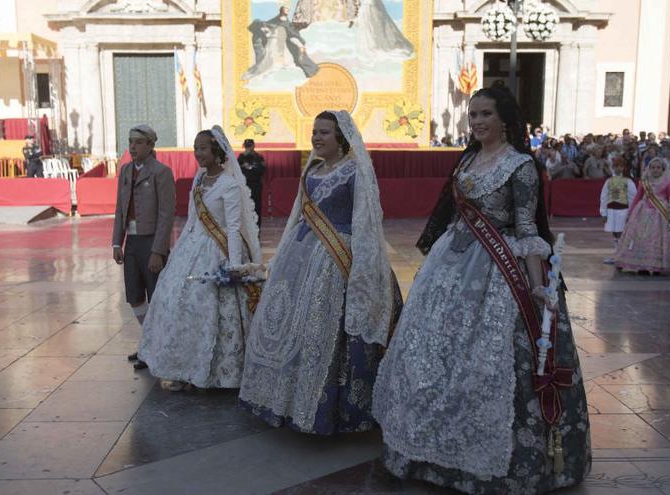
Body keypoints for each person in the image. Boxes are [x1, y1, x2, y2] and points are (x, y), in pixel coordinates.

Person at [373, 84, 590, 494]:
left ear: (505, 119)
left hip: (499, 271)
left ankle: (488, 463)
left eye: (485, 114)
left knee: (490, 360)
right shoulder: (468, 160)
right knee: (430, 353)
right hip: (451, 266)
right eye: (473, 115)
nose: (477, 122)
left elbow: (527, 226)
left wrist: (537, 284)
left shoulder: (521, 166)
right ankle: (426, 449)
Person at [239, 110, 403, 435]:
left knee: (326, 330)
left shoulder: (355, 172)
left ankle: (332, 410)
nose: (317, 137)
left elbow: (366, 223)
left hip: (337, 260)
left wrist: (365, 269)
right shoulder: (311, 170)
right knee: (294, 327)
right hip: (301, 259)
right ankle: (287, 402)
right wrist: (280, 257)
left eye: (324, 132)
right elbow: (297, 217)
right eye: (314, 131)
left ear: (341, 137)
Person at [138, 127, 264, 390]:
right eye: (195, 148)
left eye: (203, 148)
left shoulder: (228, 184)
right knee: (177, 300)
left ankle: (216, 373)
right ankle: (183, 368)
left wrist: (234, 263)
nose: (198, 153)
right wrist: (180, 249)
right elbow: (193, 220)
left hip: (217, 250)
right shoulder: (199, 179)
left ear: (217, 151)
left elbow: (232, 226)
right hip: (192, 247)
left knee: (208, 309)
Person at [112, 125, 176, 370]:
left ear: (150, 145)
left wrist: (158, 250)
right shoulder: (126, 171)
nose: (133, 147)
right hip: (132, 242)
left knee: (156, 296)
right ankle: (152, 342)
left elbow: (166, 213)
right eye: (130, 141)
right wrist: (117, 242)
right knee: (134, 295)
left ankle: (157, 347)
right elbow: (120, 209)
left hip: (151, 241)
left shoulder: (161, 172)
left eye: (139, 142)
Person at [613, 158, 670, 275]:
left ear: (663, 169)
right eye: (653, 167)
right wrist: (630, 213)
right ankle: (642, 265)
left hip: (660, 215)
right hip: (642, 212)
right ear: (649, 169)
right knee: (641, 237)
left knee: (657, 239)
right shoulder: (644, 181)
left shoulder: (668, 182)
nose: (655, 170)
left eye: (658, 167)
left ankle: (656, 266)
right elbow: (637, 197)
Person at [599, 157, 637, 264]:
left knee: (621, 232)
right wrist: (603, 212)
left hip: (623, 210)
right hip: (611, 210)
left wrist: (631, 212)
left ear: (624, 167)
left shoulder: (628, 181)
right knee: (615, 233)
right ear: (612, 167)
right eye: (616, 166)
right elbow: (604, 197)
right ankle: (617, 254)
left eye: (620, 166)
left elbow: (632, 197)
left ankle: (622, 254)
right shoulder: (609, 181)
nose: (618, 168)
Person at [237, 138, 267, 226]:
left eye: (250, 146)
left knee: (257, 206)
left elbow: (262, 170)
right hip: (245, 185)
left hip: (256, 184)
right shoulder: (241, 157)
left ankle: (257, 225)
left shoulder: (259, 157)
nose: (248, 148)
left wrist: (251, 168)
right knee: (245, 206)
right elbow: (237, 170)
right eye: (247, 146)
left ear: (254, 146)